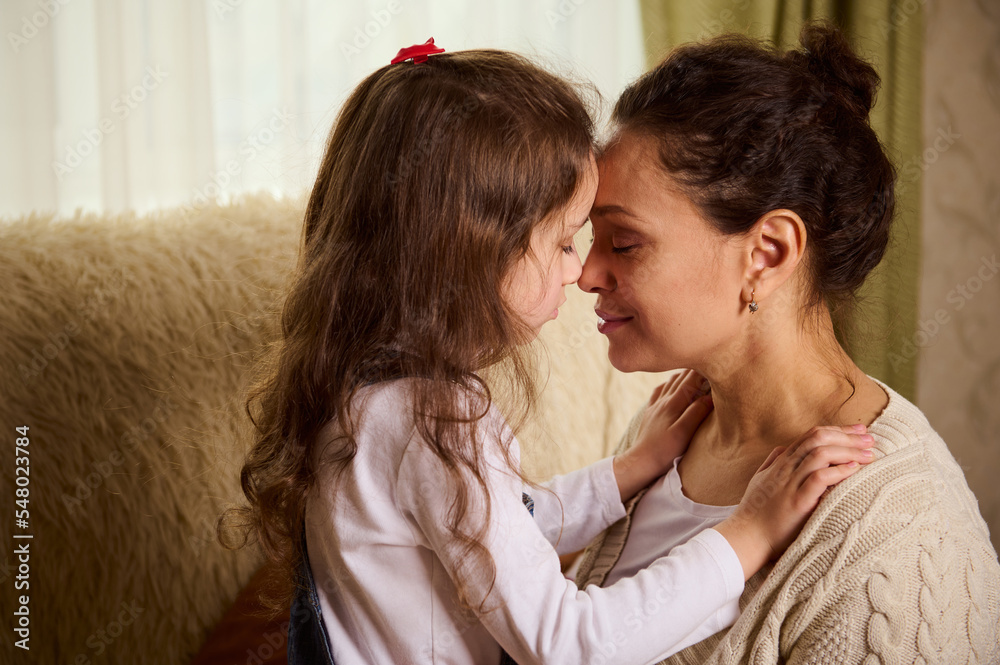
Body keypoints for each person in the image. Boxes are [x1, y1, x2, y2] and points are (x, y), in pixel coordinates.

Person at [226, 40, 874, 665]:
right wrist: (750, 533)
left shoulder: (372, 395)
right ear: (470, 250)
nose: (579, 271)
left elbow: (508, 524)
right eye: (566, 242)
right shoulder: (430, 417)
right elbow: (569, 644)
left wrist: (629, 469)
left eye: (613, 243)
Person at [575, 21, 1000, 664]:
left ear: (767, 253)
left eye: (624, 243)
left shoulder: (896, 545)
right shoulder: (674, 424)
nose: (586, 274)